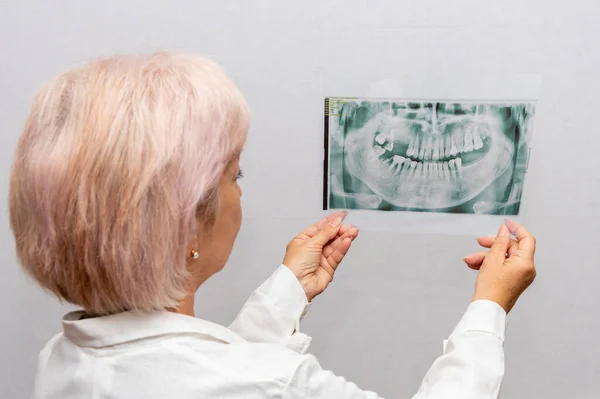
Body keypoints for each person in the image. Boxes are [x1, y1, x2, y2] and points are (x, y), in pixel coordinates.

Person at [9, 52, 537, 399]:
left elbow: (196, 373)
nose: (241, 192)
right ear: (186, 226)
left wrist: (285, 294)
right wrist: (489, 306)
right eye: (233, 173)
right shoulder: (271, 384)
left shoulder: (62, 360)